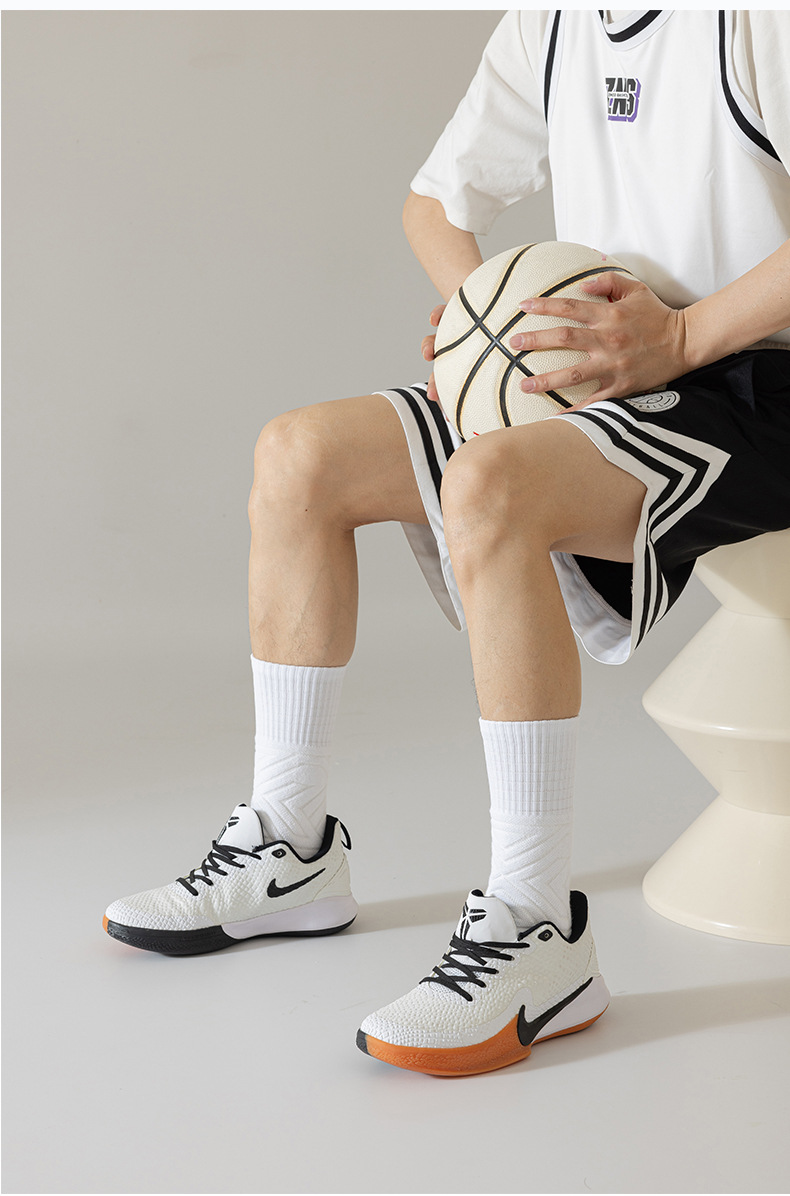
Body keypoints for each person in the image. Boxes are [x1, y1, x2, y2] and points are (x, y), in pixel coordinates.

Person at [103, 10, 790, 1076]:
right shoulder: (554, 22)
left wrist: (682, 335)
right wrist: (485, 320)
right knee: (300, 455)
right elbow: (434, 201)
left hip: (758, 373)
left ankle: (537, 928)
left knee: (490, 484)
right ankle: (289, 847)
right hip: (609, 369)